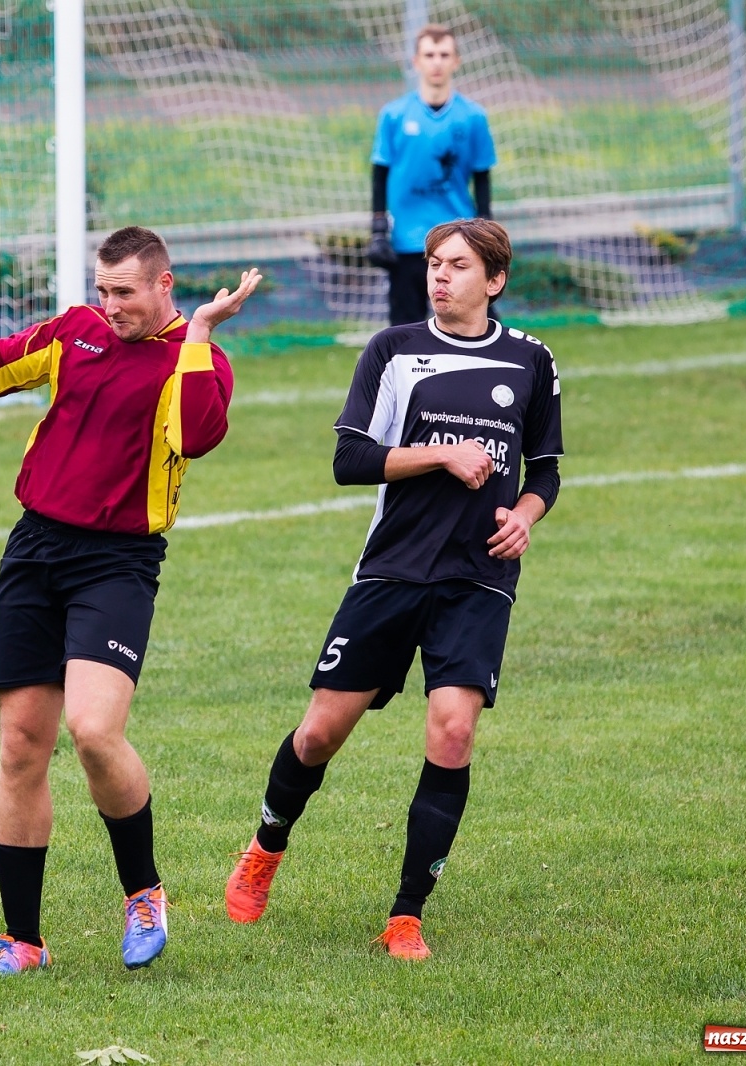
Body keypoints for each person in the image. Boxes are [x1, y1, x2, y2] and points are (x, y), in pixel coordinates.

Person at [226, 218, 561, 960]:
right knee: (319, 733)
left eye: (459, 267)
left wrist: (527, 516)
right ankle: (266, 847)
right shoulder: (394, 351)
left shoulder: (532, 361)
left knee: (453, 729)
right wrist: (442, 455)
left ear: (495, 281)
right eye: (435, 265)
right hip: (392, 569)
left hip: (479, 576)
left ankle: (406, 915)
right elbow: (350, 459)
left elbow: (545, 469)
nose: (442, 277)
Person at [0, 226, 260, 975]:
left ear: (164, 286)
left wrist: (205, 331)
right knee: (21, 745)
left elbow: (194, 432)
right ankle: (24, 941)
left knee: (92, 731)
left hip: (117, 564)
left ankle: (143, 892)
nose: (109, 305)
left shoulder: (201, 360)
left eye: (124, 292)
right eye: (103, 289)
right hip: (35, 552)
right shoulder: (76, 331)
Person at [366, 24, 497, 327]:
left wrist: (486, 229)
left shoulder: (473, 116)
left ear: (456, 61)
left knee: (478, 325)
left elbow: (482, 177)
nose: (436, 61)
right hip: (407, 242)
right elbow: (379, 174)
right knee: (404, 332)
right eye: (429, 54)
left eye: (444, 54)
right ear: (417, 62)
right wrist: (377, 229)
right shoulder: (394, 114)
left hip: (460, 239)